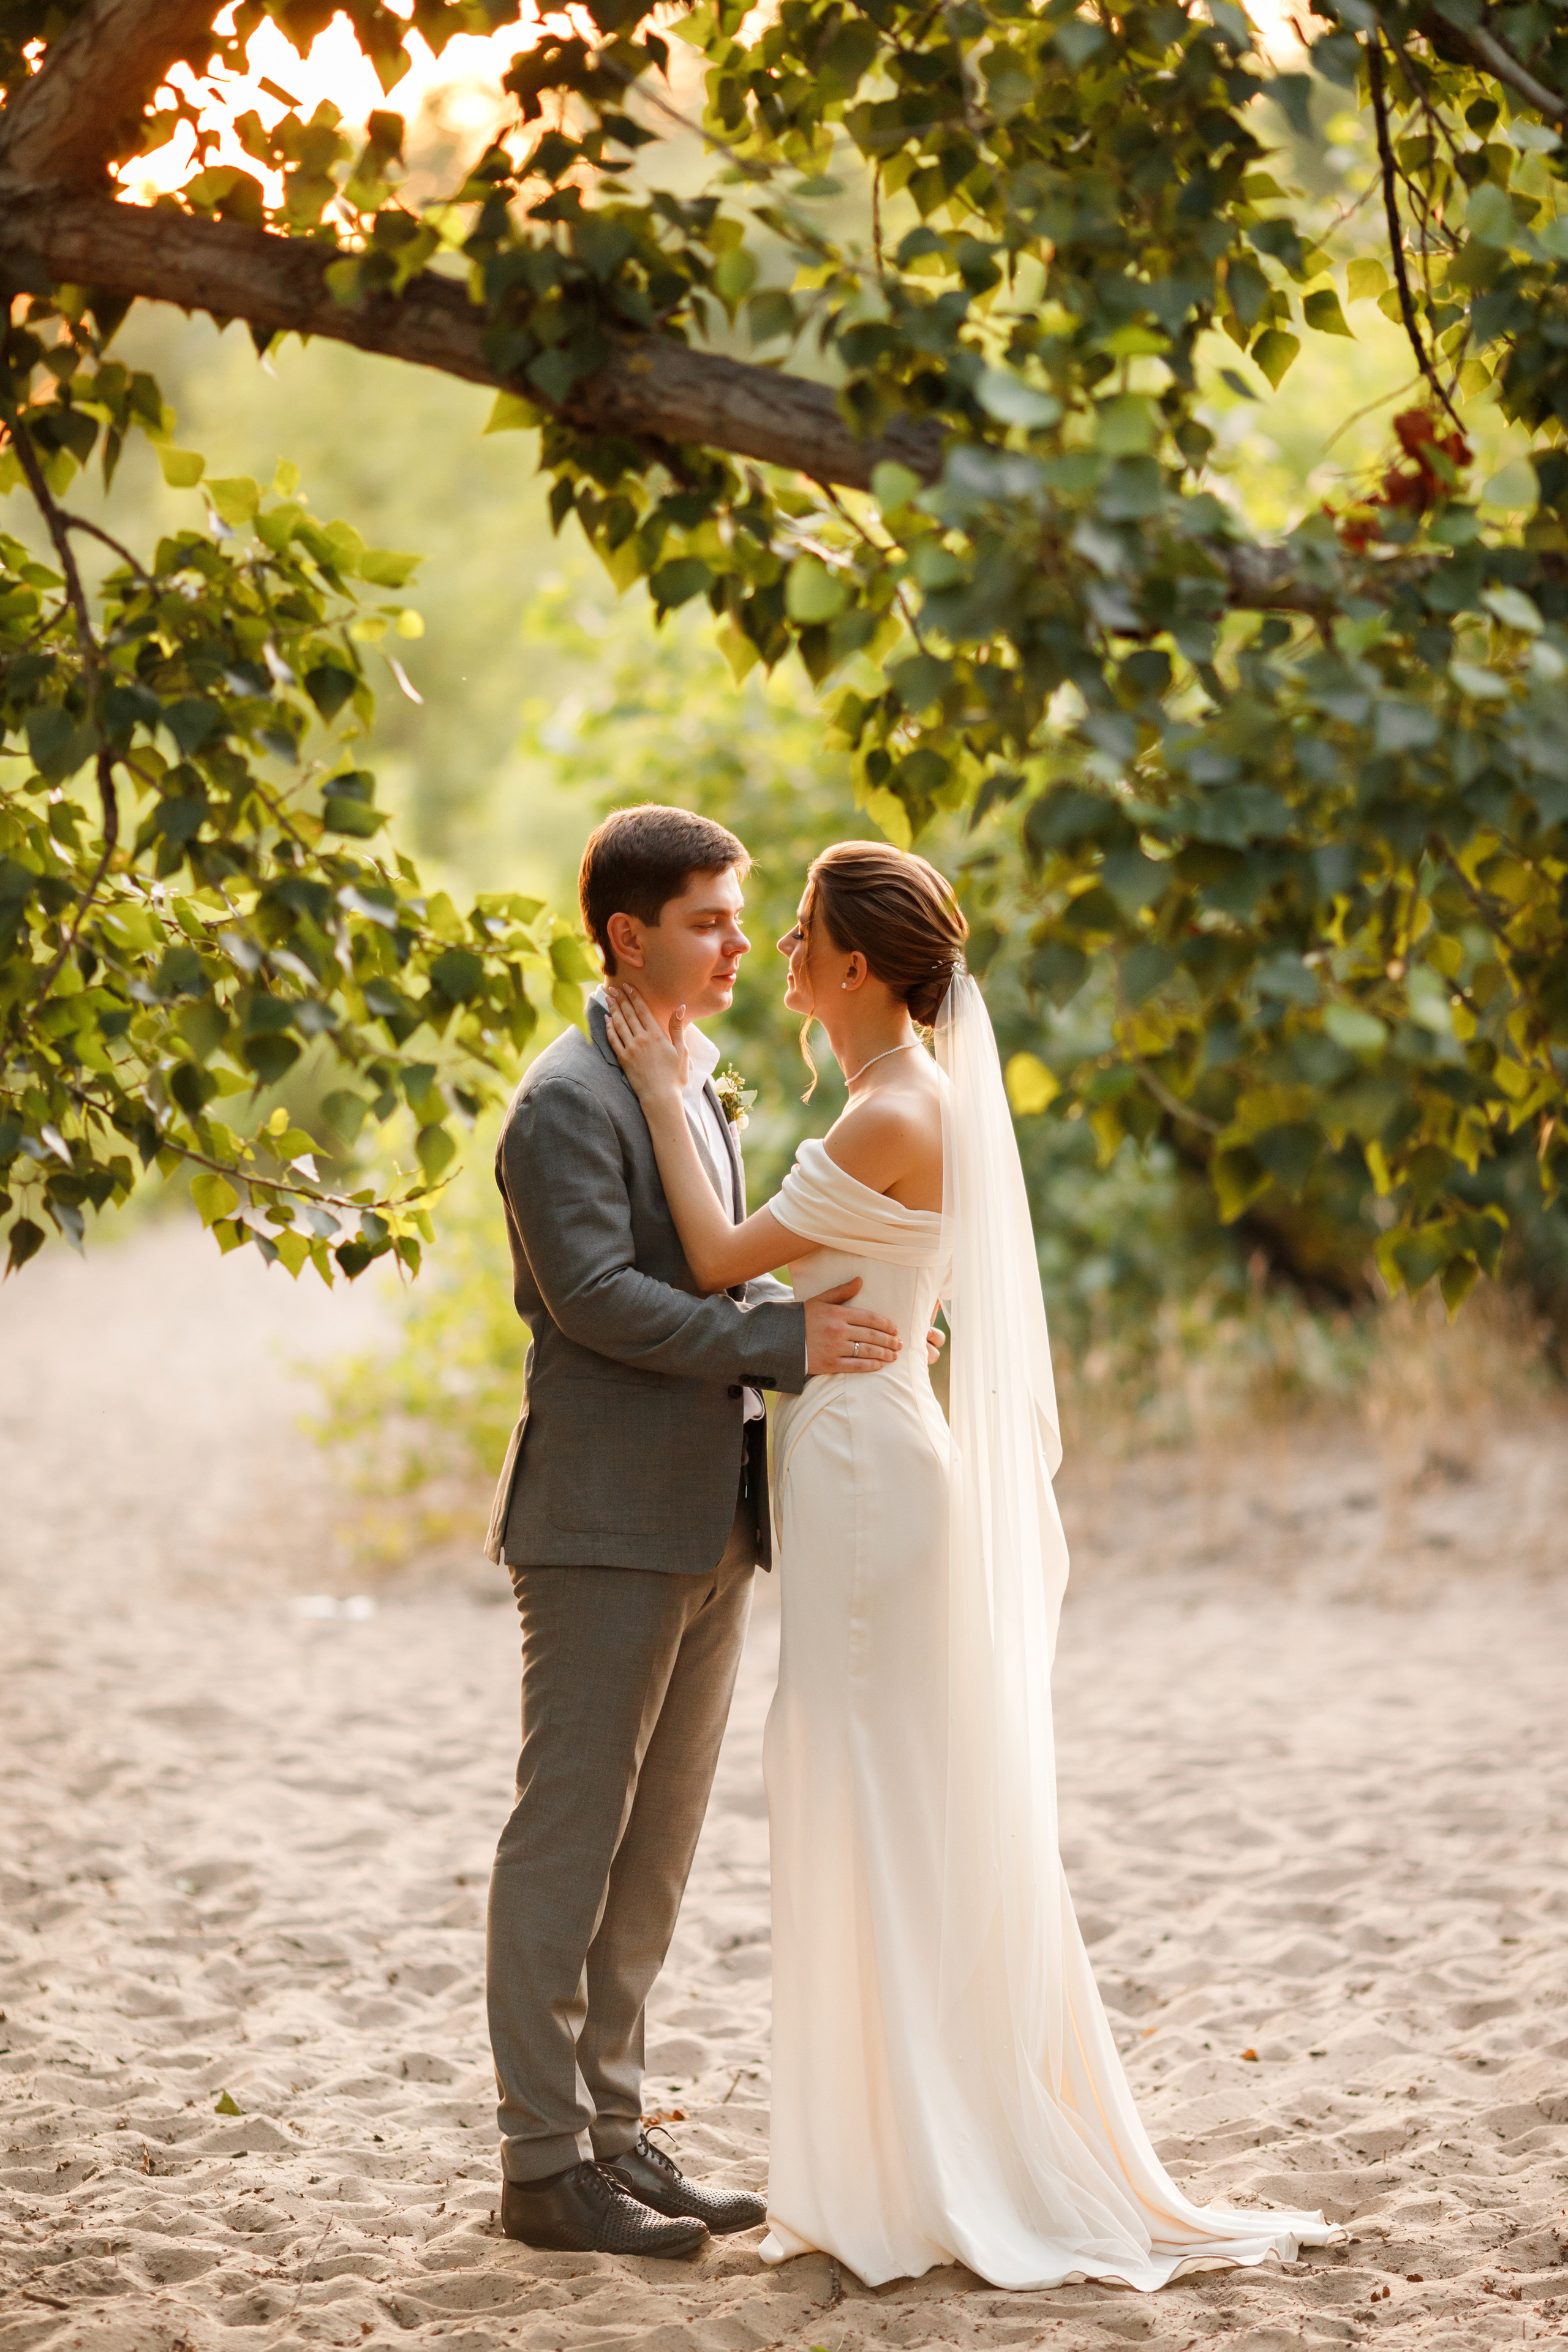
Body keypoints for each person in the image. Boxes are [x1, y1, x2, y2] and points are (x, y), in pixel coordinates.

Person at [603, 839, 1338, 2291]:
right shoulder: (897, 1098)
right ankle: (888, 2139)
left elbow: (708, 1262)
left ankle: (914, 2157)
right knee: (854, 1777)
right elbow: (811, 1279)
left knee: (860, 1779)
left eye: (799, 933)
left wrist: (652, 1087)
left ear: (858, 968)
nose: (779, 956)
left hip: (869, 1472)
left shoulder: (893, 1108)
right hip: (856, 1450)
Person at [483, 805, 907, 2258]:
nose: (741, 945)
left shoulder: (680, 1071)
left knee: (654, 1852)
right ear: (626, 935)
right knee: (569, 1840)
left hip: (707, 1521)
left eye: (742, 920)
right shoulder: (562, 1102)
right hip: (600, 1524)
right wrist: (784, 1338)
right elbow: (596, 1298)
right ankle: (541, 2168)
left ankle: (613, 2135)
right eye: (712, 922)